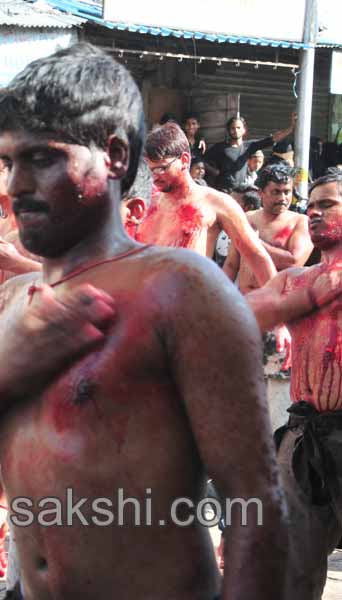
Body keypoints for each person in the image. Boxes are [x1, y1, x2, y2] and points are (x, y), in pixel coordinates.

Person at [0, 43, 288, 600]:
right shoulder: (10, 303)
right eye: (8, 163)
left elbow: (256, 507)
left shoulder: (180, 291)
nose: (15, 185)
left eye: (41, 159)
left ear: (112, 154)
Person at [245, 170, 342, 600]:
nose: (314, 213)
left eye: (327, 204)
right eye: (312, 205)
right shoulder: (295, 280)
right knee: (294, 570)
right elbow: (237, 315)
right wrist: (305, 301)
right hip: (303, 439)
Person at [136, 123, 277, 286]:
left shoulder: (215, 203)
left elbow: (256, 255)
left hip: (189, 304)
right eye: (149, 169)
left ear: (184, 160)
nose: (154, 176)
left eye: (161, 168)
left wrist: (274, 302)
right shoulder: (146, 202)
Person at [224, 164, 313, 293]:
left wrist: (254, 242)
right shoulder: (247, 219)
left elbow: (294, 261)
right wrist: (221, 294)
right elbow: (231, 264)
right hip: (245, 300)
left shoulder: (300, 222)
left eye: (287, 192)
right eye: (276, 192)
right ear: (261, 193)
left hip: (279, 303)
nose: (282, 198)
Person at [205, 114, 295, 190]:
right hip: (224, 192)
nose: (235, 130)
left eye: (238, 128)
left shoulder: (249, 146)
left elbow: (273, 138)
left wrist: (291, 128)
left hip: (241, 191)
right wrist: (214, 171)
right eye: (232, 128)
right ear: (229, 130)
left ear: (244, 130)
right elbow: (203, 161)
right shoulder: (220, 147)